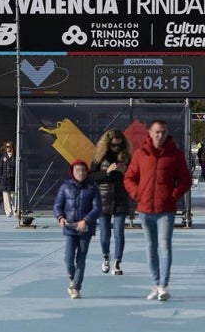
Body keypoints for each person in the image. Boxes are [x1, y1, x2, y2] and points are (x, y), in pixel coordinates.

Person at [124, 119, 192, 301]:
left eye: (163, 131)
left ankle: (163, 285)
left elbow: (186, 180)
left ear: (167, 133)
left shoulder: (175, 155)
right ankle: (155, 284)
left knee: (165, 246)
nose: (160, 135)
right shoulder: (140, 154)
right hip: (145, 210)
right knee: (150, 247)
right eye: (157, 132)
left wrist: (173, 196)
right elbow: (129, 178)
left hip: (166, 210)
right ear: (150, 133)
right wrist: (137, 193)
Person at [53, 159, 101, 299]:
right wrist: (60, 217)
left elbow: (97, 208)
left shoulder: (92, 188)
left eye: (83, 170)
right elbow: (57, 205)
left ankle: (76, 287)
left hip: (85, 229)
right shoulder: (65, 187)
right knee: (68, 258)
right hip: (69, 228)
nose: (80, 173)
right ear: (72, 172)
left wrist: (86, 220)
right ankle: (72, 276)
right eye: (77, 170)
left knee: (81, 258)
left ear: (87, 172)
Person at [90, 128, 132, 276]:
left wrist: (126, 171)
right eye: (113, 145)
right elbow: (92, 176)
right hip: (103, 197)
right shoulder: (99, 156)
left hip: (121, 197)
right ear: (107, 144)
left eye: (119, 145)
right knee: (105, 233)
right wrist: (107, 172)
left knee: (119, 232)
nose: (116, 148)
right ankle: (106, 256)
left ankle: (118, 261)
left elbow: (134, 175)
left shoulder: (126, 156)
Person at [0, 140, 16, 218]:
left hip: (12, 178)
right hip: (4, 178)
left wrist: (7, 161)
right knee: (5, 196)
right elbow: (0, 167)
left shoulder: (15, 156)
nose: (7, 148)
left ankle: (15, 210)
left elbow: (15, 165)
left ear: (11, 147)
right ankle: (8, 211)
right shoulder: (3, 156)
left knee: (13, 196)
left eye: (8, 146)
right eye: (6, 147)